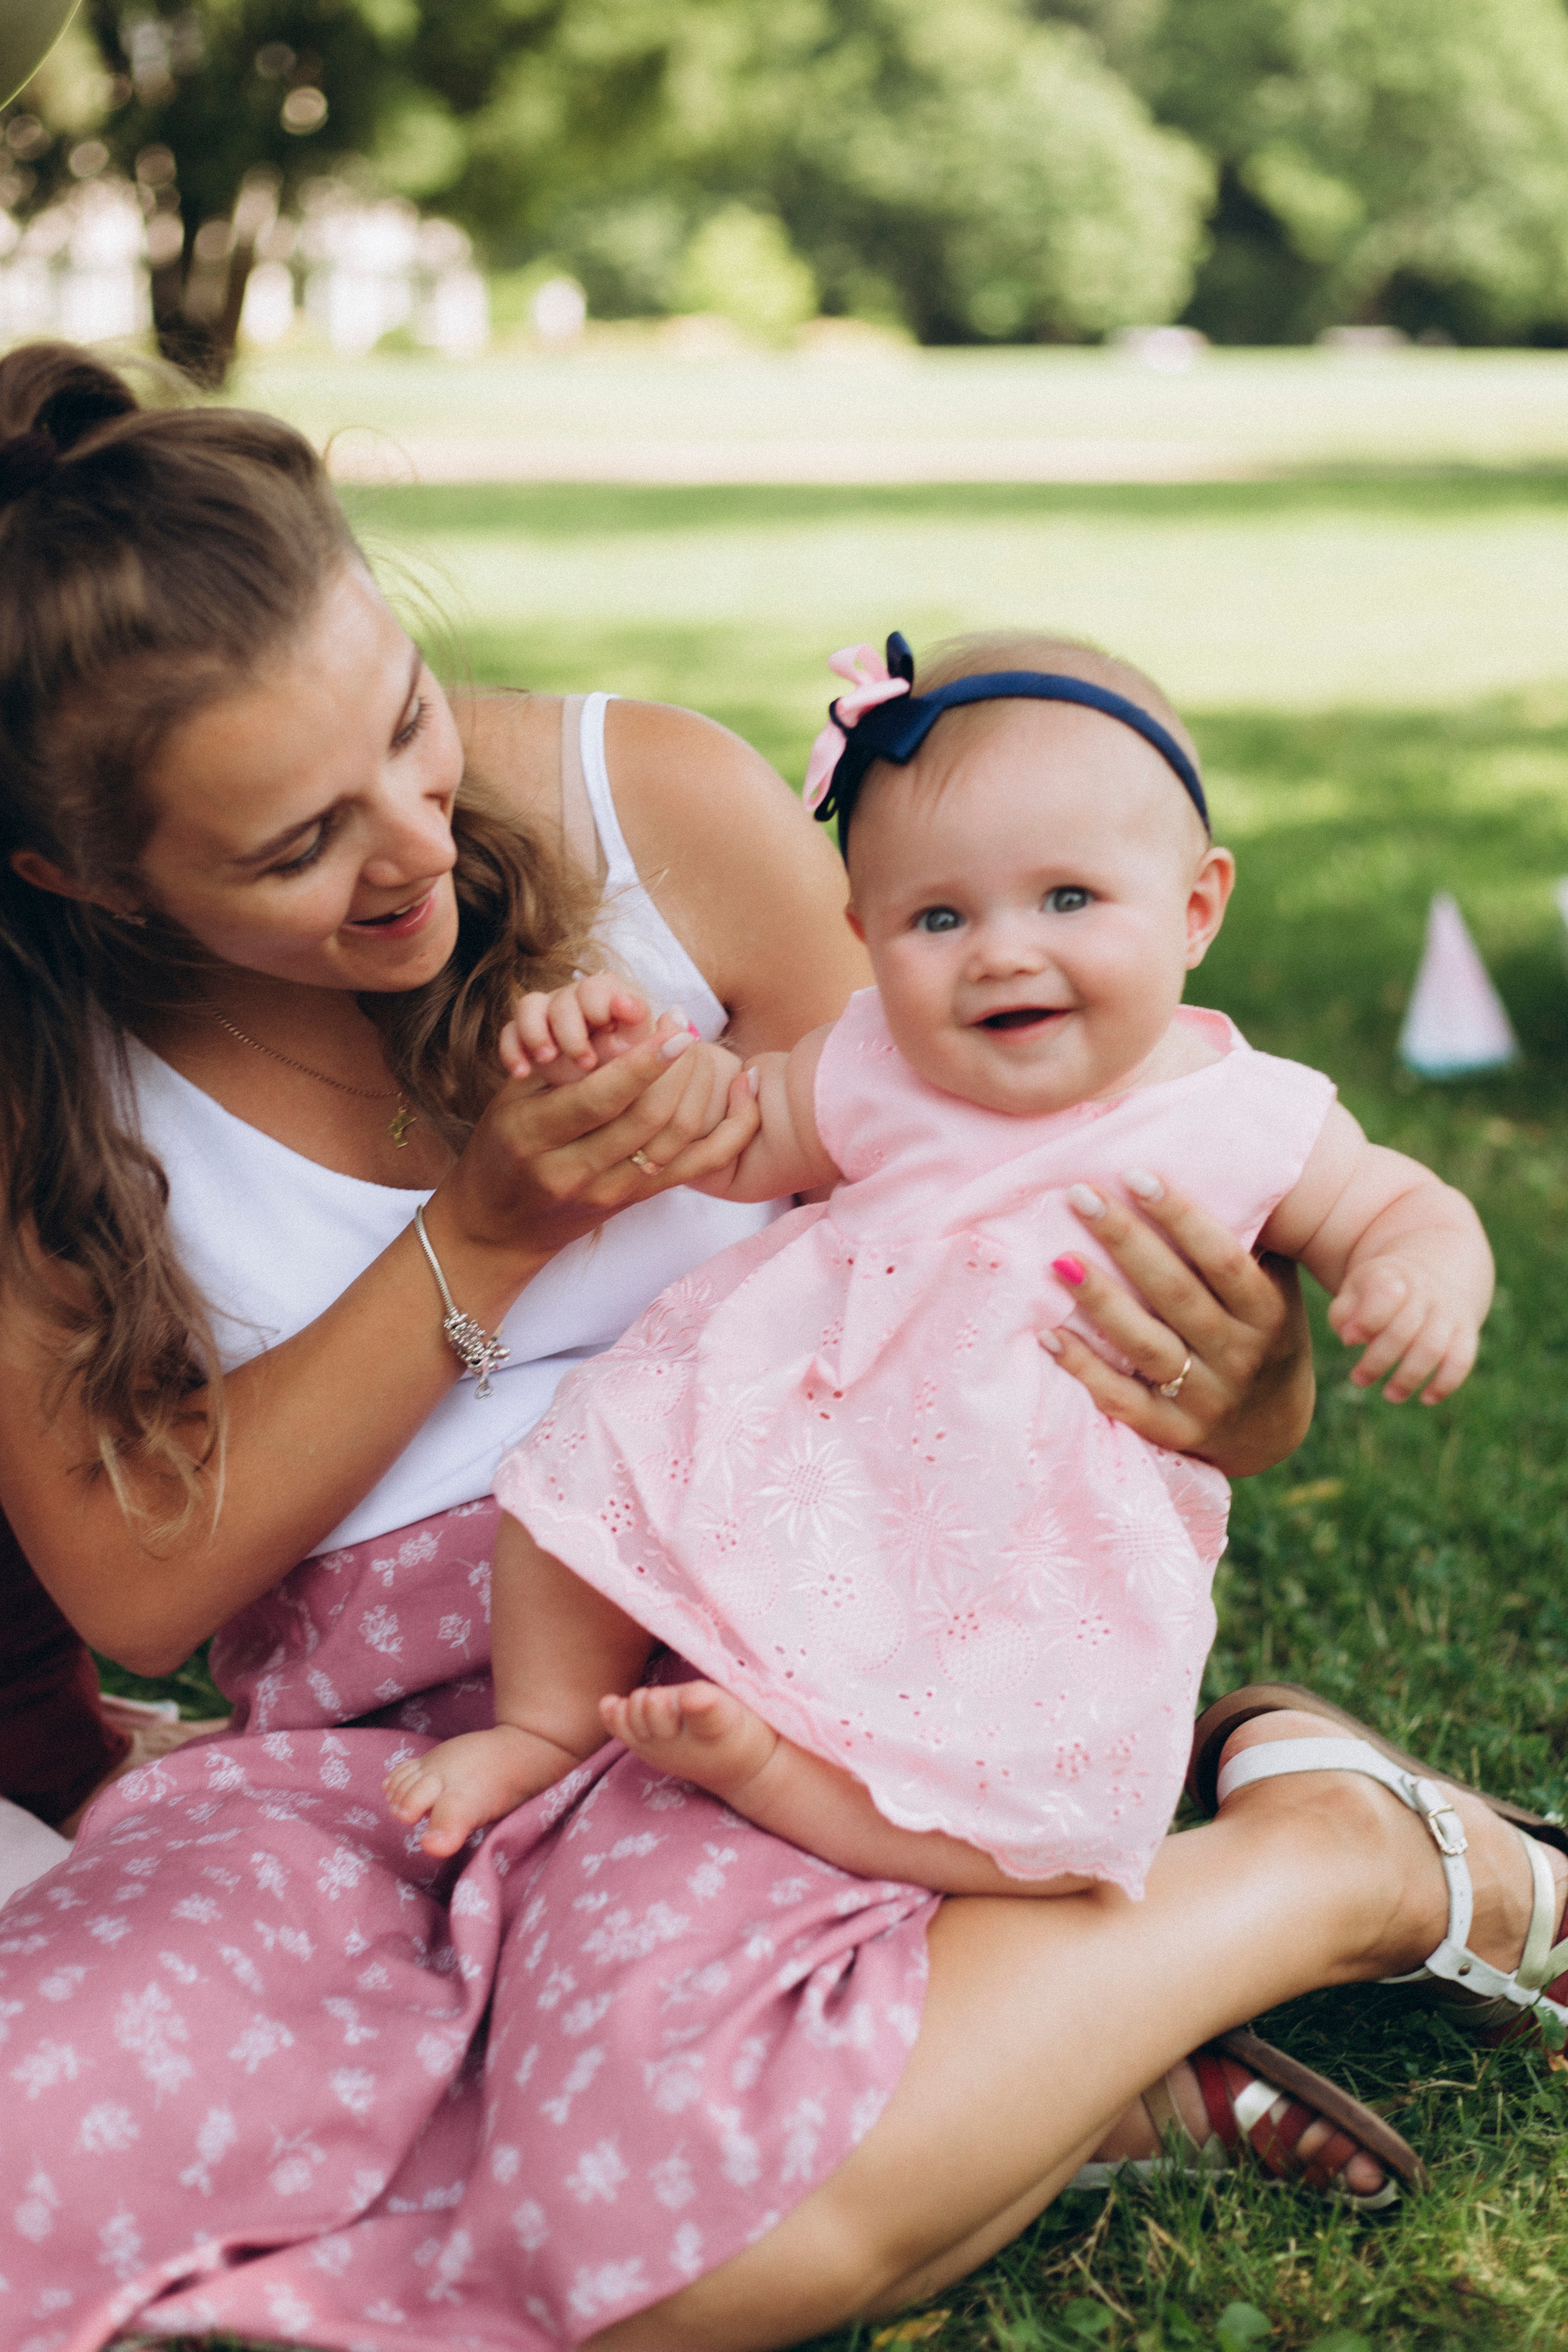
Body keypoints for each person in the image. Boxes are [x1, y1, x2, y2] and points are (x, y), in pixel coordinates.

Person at [0, 340, 1554, 2352]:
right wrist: (481, 1228)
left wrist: (1244, 1391)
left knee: (664, 2246)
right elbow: (136, 1577)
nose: (408, 843)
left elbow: (1009, 1188)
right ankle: (1054, 2082)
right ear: (75, 872)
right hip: (381, 1763)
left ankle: (1326, 1868)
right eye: (295, 847)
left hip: (786, 1673)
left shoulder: (636, 805)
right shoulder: (45, 1075)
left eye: (406, 723)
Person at [385, 631, 1491, 1905]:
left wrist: (1420, 1273)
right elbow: (739, 1132)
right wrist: (638, 1068)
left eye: (1066, 900)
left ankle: (793, 1785)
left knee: (1032, 1781)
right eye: (937, 917)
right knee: (585, 1486)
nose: (1001, 952)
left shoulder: (1237, 1112)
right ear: (863, 933)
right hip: (801, 1429)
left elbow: (1394, 1201)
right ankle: (540, 1728)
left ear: (1194, 910)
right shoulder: (872, 1059)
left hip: (1026, 1510)